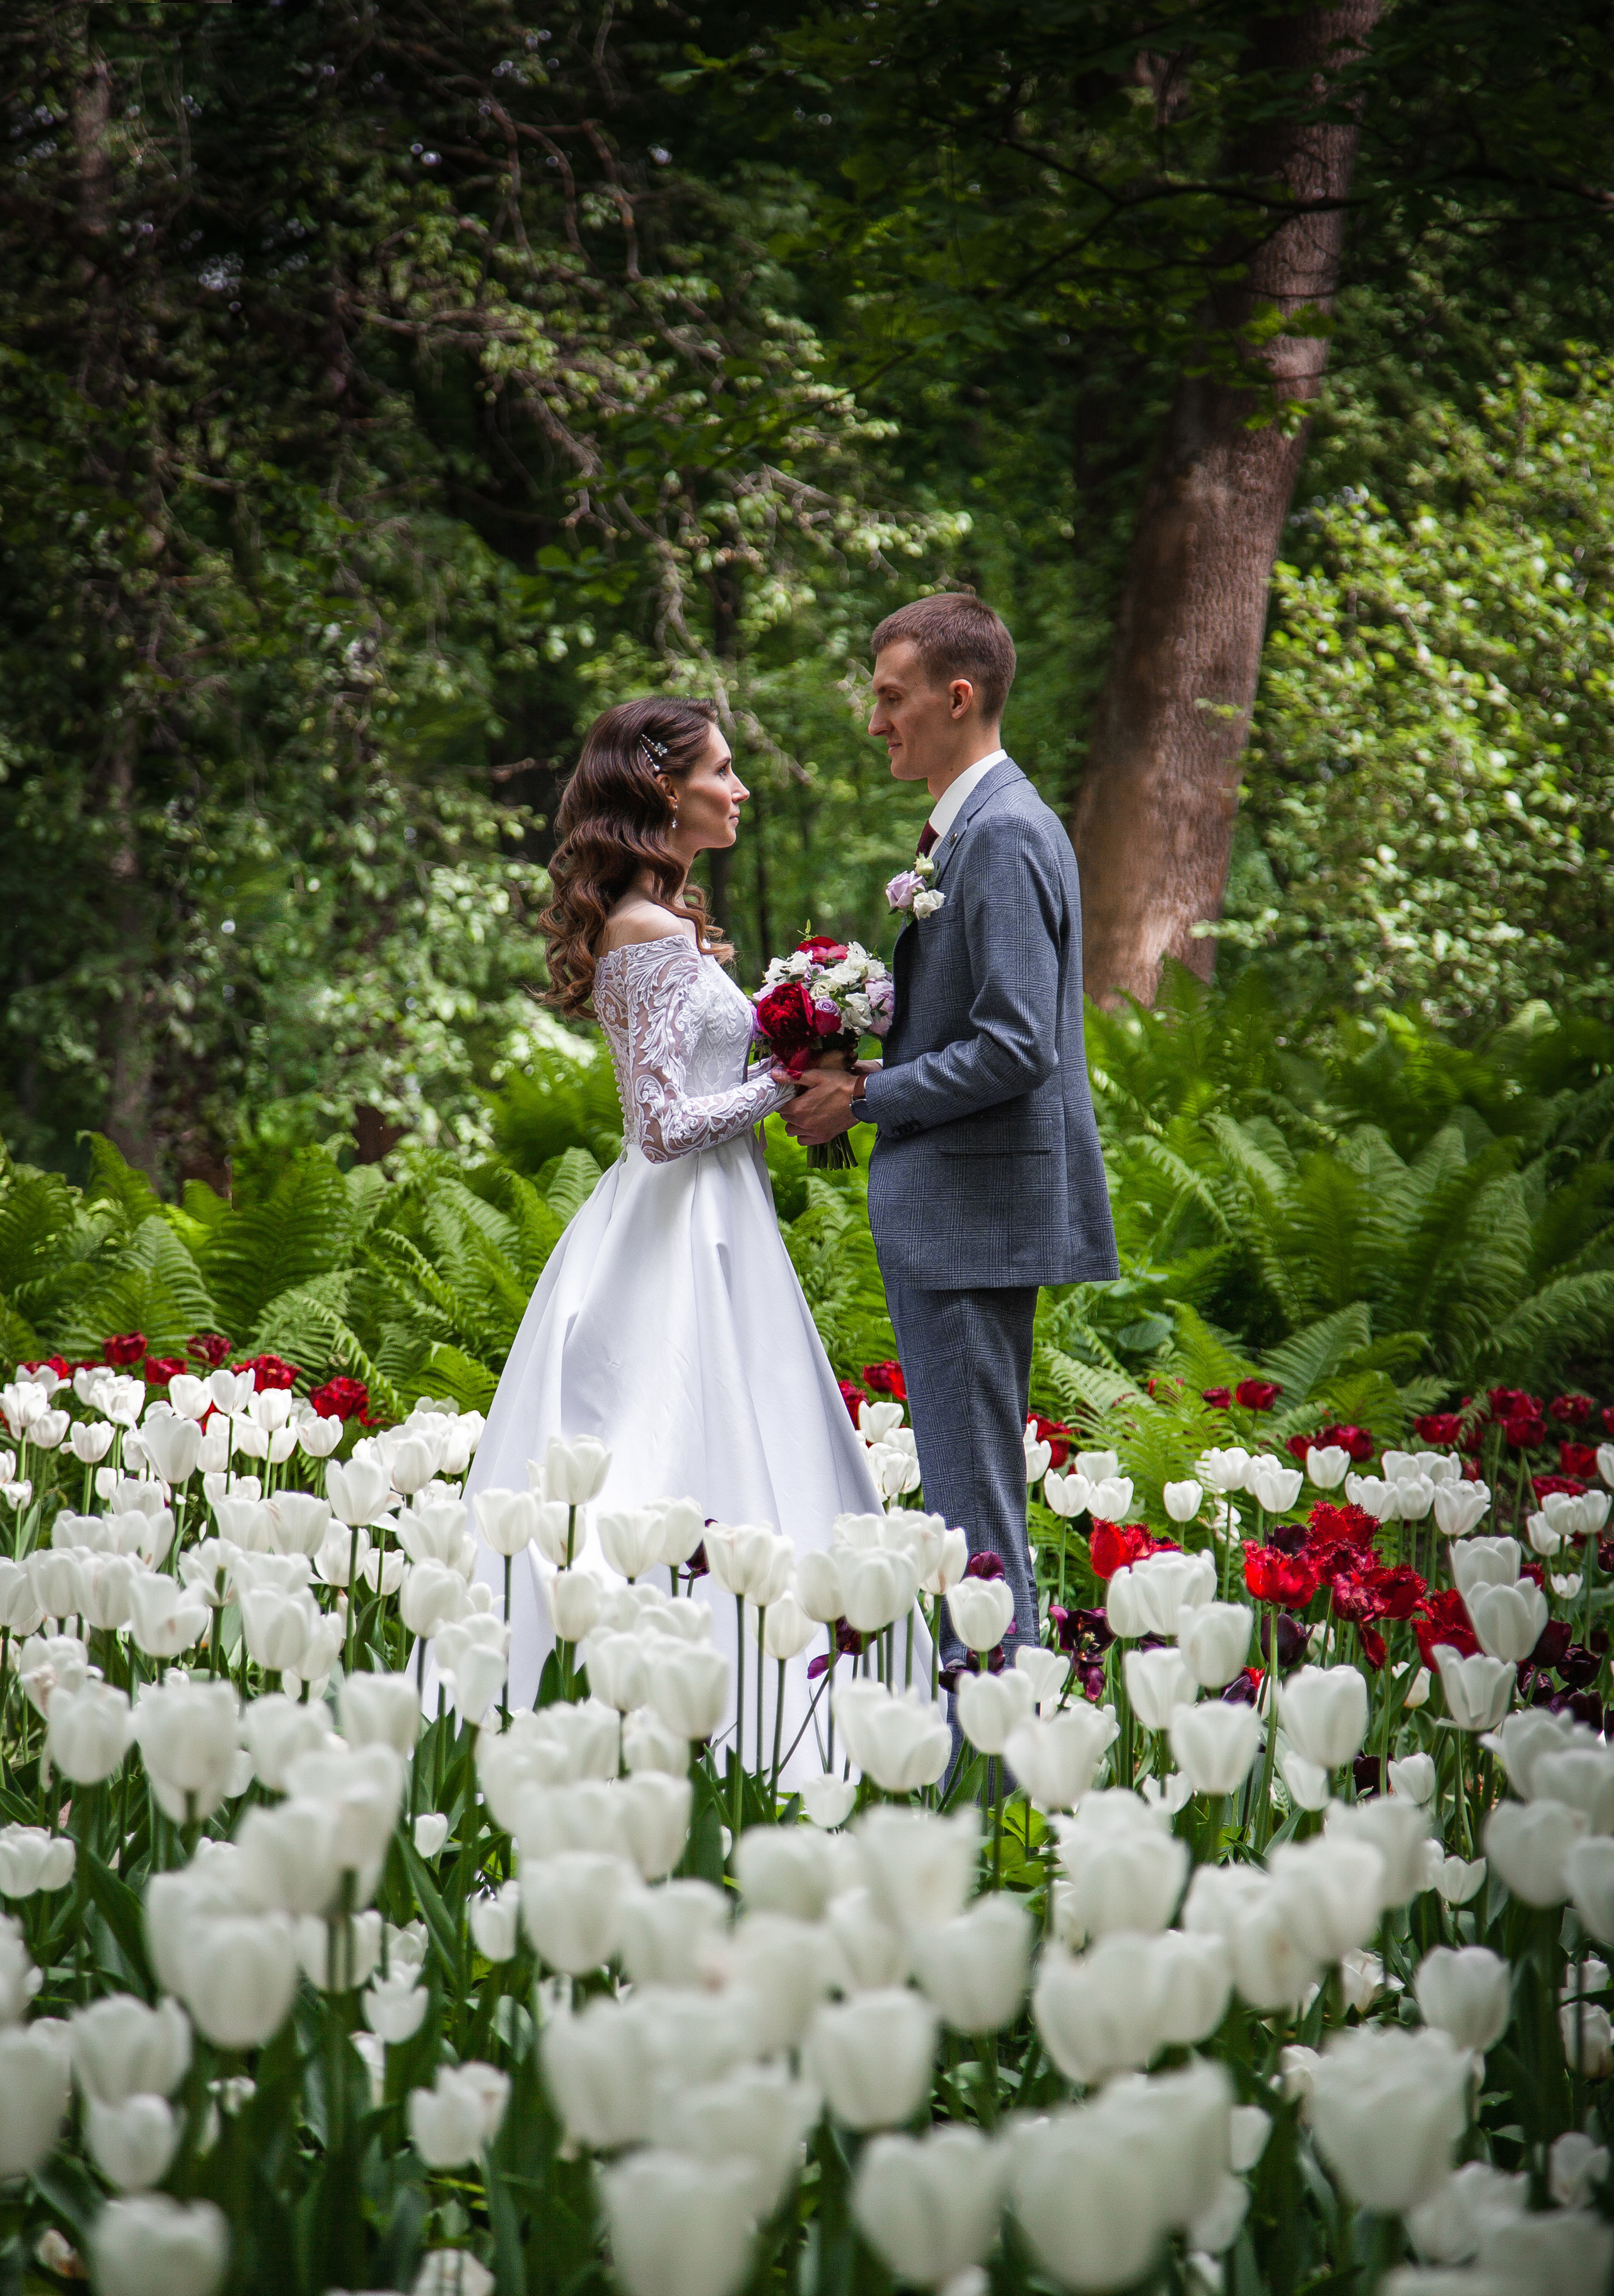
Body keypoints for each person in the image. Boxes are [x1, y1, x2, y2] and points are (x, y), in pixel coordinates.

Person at [452, 694, 916, 1776]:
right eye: (724, 769)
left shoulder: (660, 922)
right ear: (665, 787)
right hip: (683, 1228)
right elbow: (661, 1127)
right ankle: (701, 1726)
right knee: (681, 1444)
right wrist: (789, 1080)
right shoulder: (647, 932)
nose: (741, 788)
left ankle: (757, 1716)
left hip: (716, 1219)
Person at [783, 595, 1118, 1705]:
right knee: (969, 1499)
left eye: (890, 695)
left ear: (955, 696)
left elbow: (1020, 1043)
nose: (876, 720)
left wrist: (865, 1093)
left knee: (973, 1511)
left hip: (973, 1222)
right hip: (961, 1217)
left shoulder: (1007, 831)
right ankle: (992, 1737)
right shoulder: (976, 828)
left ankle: (999, 1755)